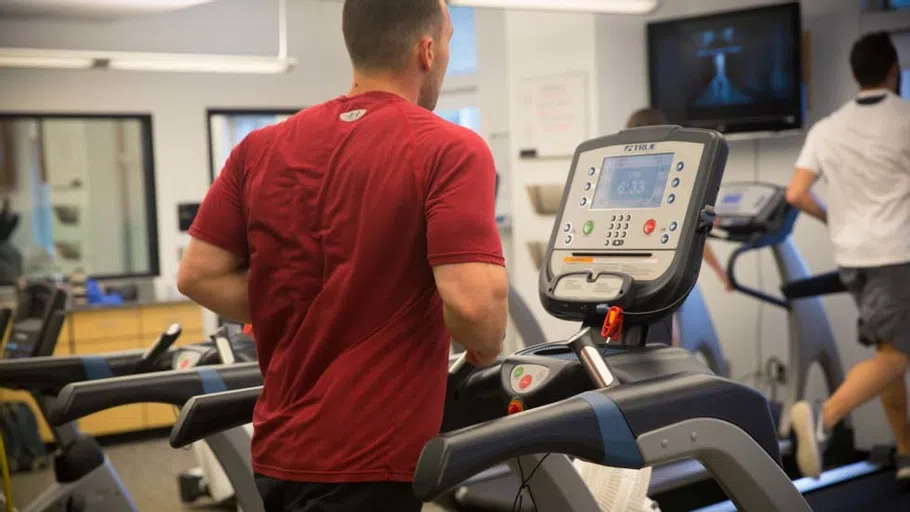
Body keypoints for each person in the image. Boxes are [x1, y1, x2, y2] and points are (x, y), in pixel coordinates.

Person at [176, 0, 509, 510]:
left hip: (278, 450)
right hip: (373, 456)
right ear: (426, 51)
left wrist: (306, 305)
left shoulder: (259, 148)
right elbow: (474, 309)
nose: (444, 55)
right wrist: (483, 351)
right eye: (446, 43)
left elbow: (198, 275)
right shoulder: (451, 149)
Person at [787, 32, 910, 483]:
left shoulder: (828, 127)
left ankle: (905, 453)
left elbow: (797, 193)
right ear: (894, 70)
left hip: (852, 258)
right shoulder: (905, 118)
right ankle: (825, 415)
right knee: (897, 359)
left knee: (886, 352)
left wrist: (833, 220)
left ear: (855, 75)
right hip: (896, 255)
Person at [625, 107, 733, 346]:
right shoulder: (671, 176)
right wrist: (721, 273)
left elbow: (691, 231)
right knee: (666, 342)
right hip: (656, 277)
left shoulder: (625, 179)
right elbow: (692, 232)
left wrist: (720, 273)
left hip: (627, 279)